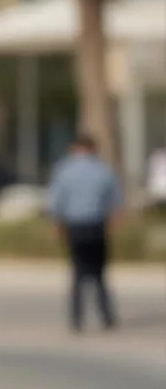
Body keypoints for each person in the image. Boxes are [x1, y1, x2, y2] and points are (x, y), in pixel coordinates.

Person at [43, 133, 121, 333]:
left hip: (75, 227)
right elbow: (115, 202)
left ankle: (76, 319)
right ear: (93, 149)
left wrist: (57, 226)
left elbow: (56, 202)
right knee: (99, 275)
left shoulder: (64, 170)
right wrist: (112, 225)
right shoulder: (103, 170)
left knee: (77, 274)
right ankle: (106, 317)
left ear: (74, 148)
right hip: (96, 226)